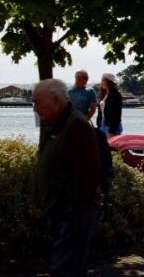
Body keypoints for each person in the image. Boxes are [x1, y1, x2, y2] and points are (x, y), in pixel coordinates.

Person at [33, 79, 101, 276]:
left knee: (65, 267)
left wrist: (75, 209)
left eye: (38, 102)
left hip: (73, 212)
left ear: (55, 100)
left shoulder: (76, 125)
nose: (34, 108)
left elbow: (89, 173)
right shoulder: (55, 123)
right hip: (61, 210)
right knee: (68, 265)